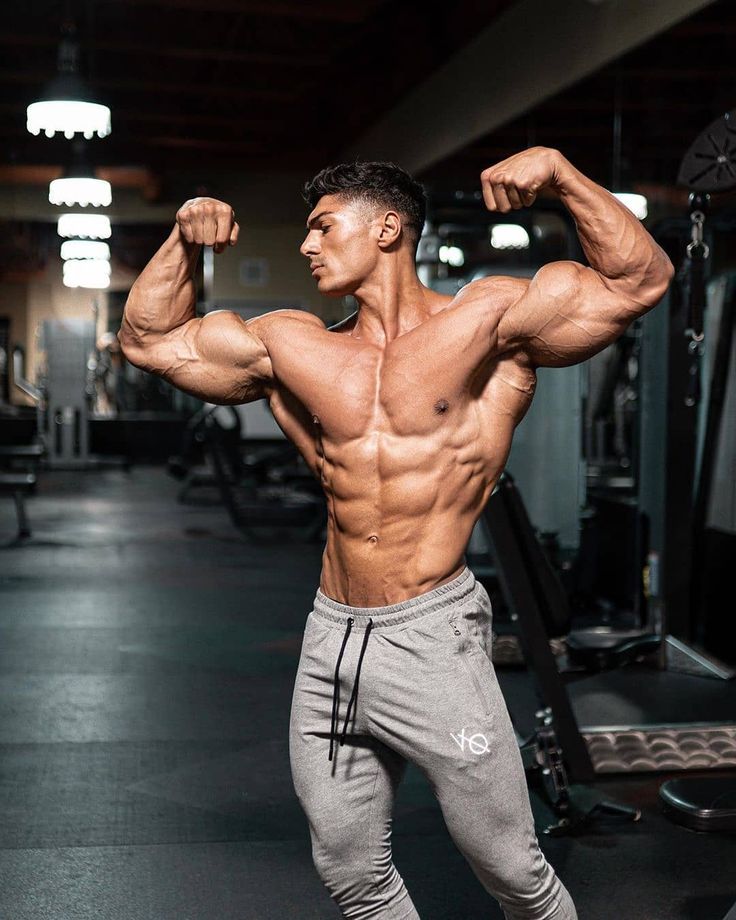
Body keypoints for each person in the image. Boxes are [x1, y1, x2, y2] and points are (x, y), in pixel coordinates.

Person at [118, 147, 673, 919]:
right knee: (351, 870)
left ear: (386, 227)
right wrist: (182, 237)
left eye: (321, 227)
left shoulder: (488, 320)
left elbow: (639, 281)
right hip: (330, 637)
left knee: (512, 869)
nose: (306, 246)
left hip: (430, 634)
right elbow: (148, 340)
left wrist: (561, 174)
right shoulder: (291, 342)